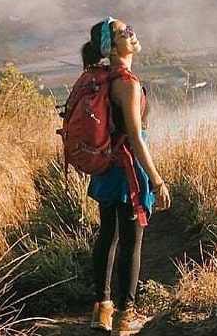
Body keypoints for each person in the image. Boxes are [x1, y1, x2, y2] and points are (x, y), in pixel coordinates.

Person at [84, 17, 170, 335]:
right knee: (131, 242)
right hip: (129, 170)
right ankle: (125, 316)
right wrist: (157, 181)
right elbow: (136, 138)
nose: (132, 34)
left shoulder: (102, 78)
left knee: (107, 235)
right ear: (113, 44)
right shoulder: (127, 84)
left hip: (106, 166)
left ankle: (102, 310)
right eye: (125, 32)